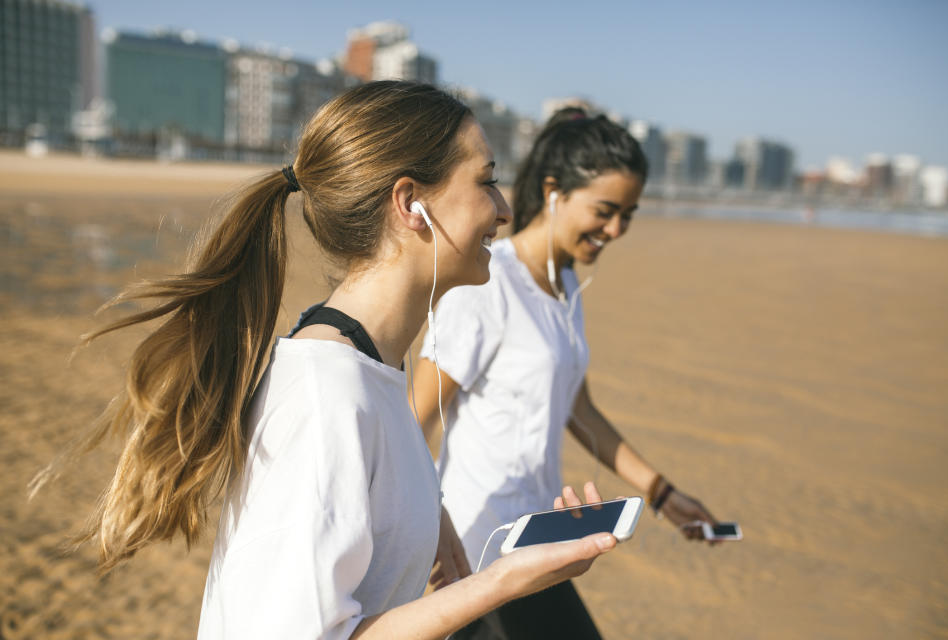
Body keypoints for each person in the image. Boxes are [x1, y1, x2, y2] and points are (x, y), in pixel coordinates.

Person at [33, 82, 622, 640]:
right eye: (486, 181)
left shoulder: (369, 367)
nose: (503, 210)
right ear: (411, 202)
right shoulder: (327, 392)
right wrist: (504, 582)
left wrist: (435, 515)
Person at [411, 109, 721, 639]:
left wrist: (664, 495)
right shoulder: (489, 282)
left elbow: (579, 409)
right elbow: (413, 420)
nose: (616, 229)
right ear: (554, 191)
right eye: (605, 210)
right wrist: (431, 533)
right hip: (480, 554)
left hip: (542, 543)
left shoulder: (567, 285)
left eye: (628, 214)